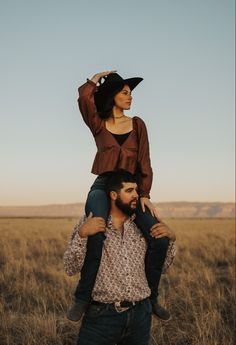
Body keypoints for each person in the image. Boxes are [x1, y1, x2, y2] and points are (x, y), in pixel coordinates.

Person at [67, 70, 172, 321]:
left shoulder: (138, 124)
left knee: (159, 238)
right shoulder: (99, 124)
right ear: (113, 96)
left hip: (132, 188)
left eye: (130, 93)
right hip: (103, 186)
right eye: (125, 92)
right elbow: (84, 100)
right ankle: (82, 297)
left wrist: (144, 193)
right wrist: (94, 79)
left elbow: (145, 160)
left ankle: (152, 296)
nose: (130, 97)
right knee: (96, 231)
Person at [64, 171, 176, 345]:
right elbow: (70, 268)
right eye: (129, 191)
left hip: (140, 315)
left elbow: (163, 267)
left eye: (137, 191)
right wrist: (82, 235)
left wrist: (170, 240)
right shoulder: (90, 222)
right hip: (101, 318)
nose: (136, 196)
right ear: (113, 195)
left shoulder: (143, 226)